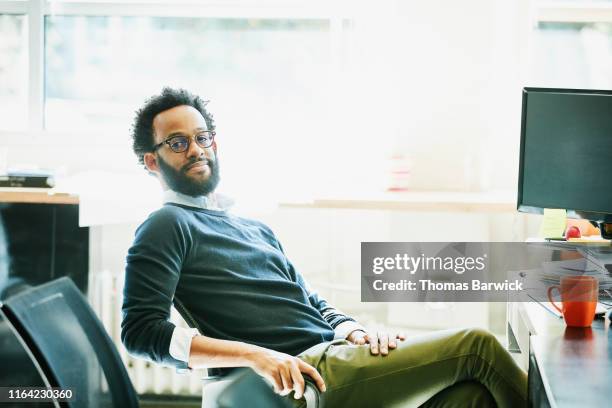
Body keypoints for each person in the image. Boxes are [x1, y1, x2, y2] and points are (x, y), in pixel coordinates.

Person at [121, 88, 527, 407]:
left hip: (334, 353)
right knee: (479, 347)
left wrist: (354, 331)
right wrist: (256, 357)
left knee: (473, 398)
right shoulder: (166, 225)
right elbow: (140, 332)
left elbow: (310, 301)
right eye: (176, 143)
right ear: (152, 162)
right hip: (302, 378)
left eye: (202, 137)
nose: (196, 149)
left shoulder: (252, 227)